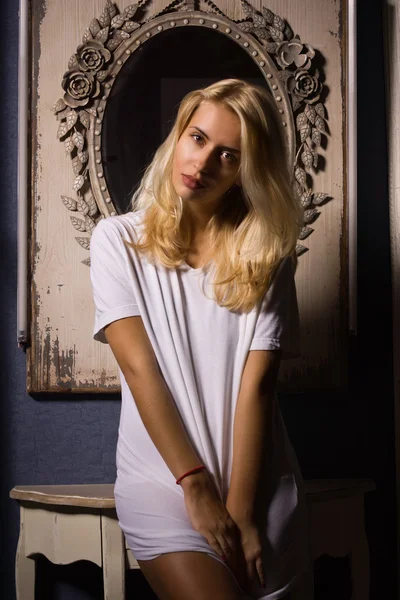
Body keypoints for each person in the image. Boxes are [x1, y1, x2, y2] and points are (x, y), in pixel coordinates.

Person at [90, 78, 311, 600]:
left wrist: (243, 515)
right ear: (178, 137)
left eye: (228, 155)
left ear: (244, 173)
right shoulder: (117, 241)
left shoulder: (267, 256)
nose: (203, 162)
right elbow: (141, 370)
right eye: (197, 138)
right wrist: (194, 484)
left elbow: (257, 389)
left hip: (258, 483)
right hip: (164, 481)